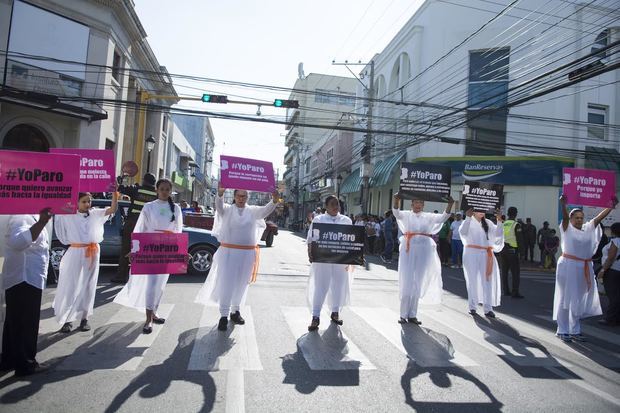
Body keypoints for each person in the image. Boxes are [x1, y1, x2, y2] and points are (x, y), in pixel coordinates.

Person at [195, 186, 278, 331]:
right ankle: (223, 315)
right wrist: (220, 194)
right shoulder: (227, 210)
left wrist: (275, 200)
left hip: (247, 254)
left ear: (247, 197)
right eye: (239, 196)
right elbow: (219, 206)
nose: (241, 199)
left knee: (242, 283)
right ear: (234, 196)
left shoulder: (252, 211)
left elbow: (266, 210)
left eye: (244, 196)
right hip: (228, 253)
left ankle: (235, 311)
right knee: (227, 283)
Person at [113, 179, 183, 334]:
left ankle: (155, 312)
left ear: (171, 191)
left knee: (160, 284)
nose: (165, 191)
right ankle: (148, 318)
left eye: (167, 189)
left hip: (167, 249)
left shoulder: (176, 208)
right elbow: (140, 229)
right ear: (157, 190)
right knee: (151, 284)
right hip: (150, 247)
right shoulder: (148, 207)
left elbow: (179, 230)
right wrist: (135, 249)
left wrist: (181, 252)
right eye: (162, 189)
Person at [53, 190, 118, 333]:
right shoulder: (68, 214)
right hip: (75, 252)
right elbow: (55, 205)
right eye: (84, 201)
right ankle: (68, 320)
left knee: (89, 285)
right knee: (71, 285)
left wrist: (114, 193)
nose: (87, 204)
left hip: (92, 252)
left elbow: (112, 209)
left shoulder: (95, 213)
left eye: (89, 201)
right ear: (76, 202)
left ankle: (84, 318)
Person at [553, 194, 616, 342]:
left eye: (581, 217)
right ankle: (562, 329)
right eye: (576, 217)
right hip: (568, 265)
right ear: (571, 218)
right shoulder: (566, 228)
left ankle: (575, 329)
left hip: (584, 266)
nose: (579, 220)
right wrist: (563, 204)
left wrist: (611, 206)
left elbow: (599, 218)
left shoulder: (588, 229)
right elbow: (565, 217)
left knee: (579, 299)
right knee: (565, 298)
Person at [0, 208, 52, 376]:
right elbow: (17, 242)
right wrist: (41, 223)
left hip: (27, 276)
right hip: (25, 277)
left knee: (15, 322)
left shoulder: (31, 214)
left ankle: (9, 360)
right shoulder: (21, 215)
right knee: (26, 322)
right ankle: (25, 364)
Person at [392, 194, 455, 324]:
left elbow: (443, 217)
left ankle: (413, 314)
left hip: (423, 251)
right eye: (416, 202)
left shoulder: (429, 216)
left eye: (420, 202)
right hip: (408, 250)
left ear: (423, 204)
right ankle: (403, 314)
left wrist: (450, 204)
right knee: (407, 281)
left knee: (418, 282)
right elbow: (396, 213)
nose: (418, 204)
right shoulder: (406, 215)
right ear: (412, 204)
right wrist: (396, 200)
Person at [306, 195, 353, 331]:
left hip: (340, 260)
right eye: (332, 204)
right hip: (322, 260)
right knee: (321, 287)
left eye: (337, 204)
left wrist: (356, 255)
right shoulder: (319, 219)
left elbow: (353, 239)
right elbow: (311, 238)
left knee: (339, 286)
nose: (335, 206)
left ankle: (335, 312)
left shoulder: (346, 220)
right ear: (326, 206)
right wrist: (310, 253)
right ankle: (315, 317)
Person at [112, 173, 158, 283]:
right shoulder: (157, 194)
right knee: (141, 252)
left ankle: (121, 276)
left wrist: (120, 179)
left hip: (133, 222)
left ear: (144, 180)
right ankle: (137, 279)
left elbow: (119, 187)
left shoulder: (136, 189)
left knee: (126, 249)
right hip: (148, 225)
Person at [459, 209, 504, 317]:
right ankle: (472, 306)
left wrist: (499, 221)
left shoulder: (488, 223)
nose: (481, 212)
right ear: (473, 211)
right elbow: (463, 233)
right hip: (471, 253)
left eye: (483, 210)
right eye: (478, 210)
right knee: (472, 280)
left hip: (485, 253)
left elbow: (498, 238)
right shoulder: (468, 221)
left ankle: (488, 308)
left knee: (487, 281)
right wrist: (468, 217)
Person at [598, 222, 620, 326]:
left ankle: (610, 318)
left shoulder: (615, 241)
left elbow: (611, 258)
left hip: (612, 271)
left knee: (613, 296)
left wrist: (603, 270)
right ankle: (616, 317)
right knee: (617, 295)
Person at [500, 206, 524, 298]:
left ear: (508, 214)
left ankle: (506, 291)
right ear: (515, 214)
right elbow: (520, 240)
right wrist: (522, 253)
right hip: (512, 251)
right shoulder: (516, 225)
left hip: (503, 250)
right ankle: (515, 292)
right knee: (515, 272)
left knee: (504, 272)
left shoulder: (504, 224)